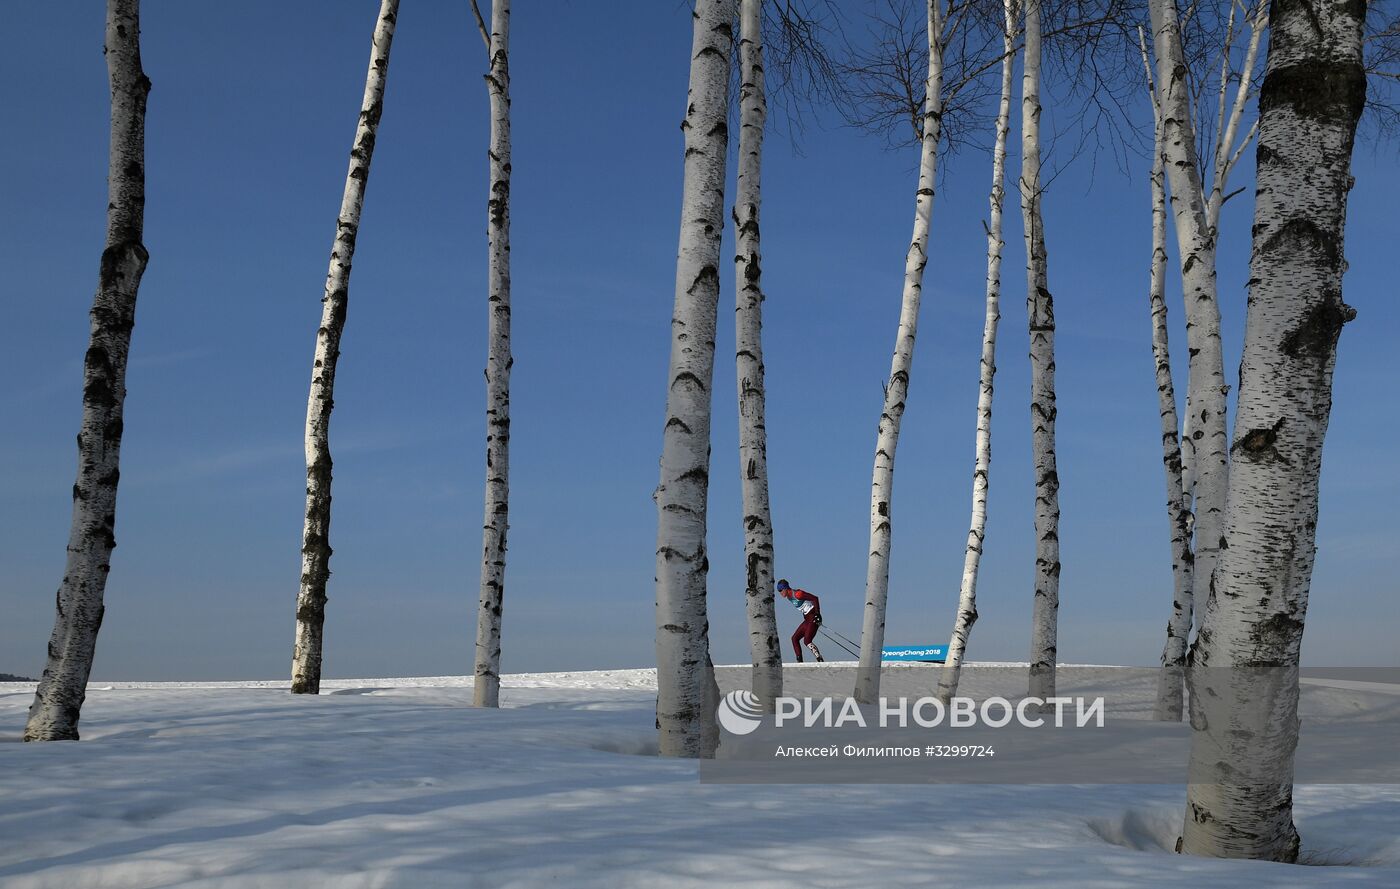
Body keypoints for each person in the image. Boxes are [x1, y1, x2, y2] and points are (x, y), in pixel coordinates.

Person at [777, 579, 824, 663]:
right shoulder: (788, 597)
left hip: (813, 616)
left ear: (785, 588)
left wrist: (818, 614)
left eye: (780, 590)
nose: (780, 593)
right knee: (794, 638)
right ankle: (800, 662)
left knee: (807, 641)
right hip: (807, 619)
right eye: (778, 591)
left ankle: (819, 659)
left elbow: (815, 598)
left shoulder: (798, 594)